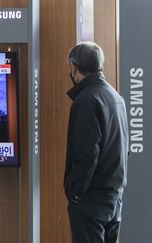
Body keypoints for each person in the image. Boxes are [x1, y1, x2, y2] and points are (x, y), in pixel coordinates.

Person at [64, 42, 129, 243]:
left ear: (73, 67)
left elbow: (86, 152)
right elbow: (124, 148)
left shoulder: (86, 100)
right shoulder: (115, 96)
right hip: (114, 197)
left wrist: (75, 193)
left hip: (91, 201)